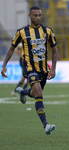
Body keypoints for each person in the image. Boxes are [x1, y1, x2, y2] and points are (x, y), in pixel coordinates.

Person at [1, 6, 58, 135]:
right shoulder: (22, 32)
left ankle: (22, 92)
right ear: (29, 16)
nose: (38, 17)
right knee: (39, 94)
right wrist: (4, 65)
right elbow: (11, 48)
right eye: (35, 15)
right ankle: (46, 125)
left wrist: (53, 68)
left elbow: (54, 49)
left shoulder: (48, 30)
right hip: (29, 68)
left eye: (39, 15)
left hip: (43, 69)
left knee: (34, 93)